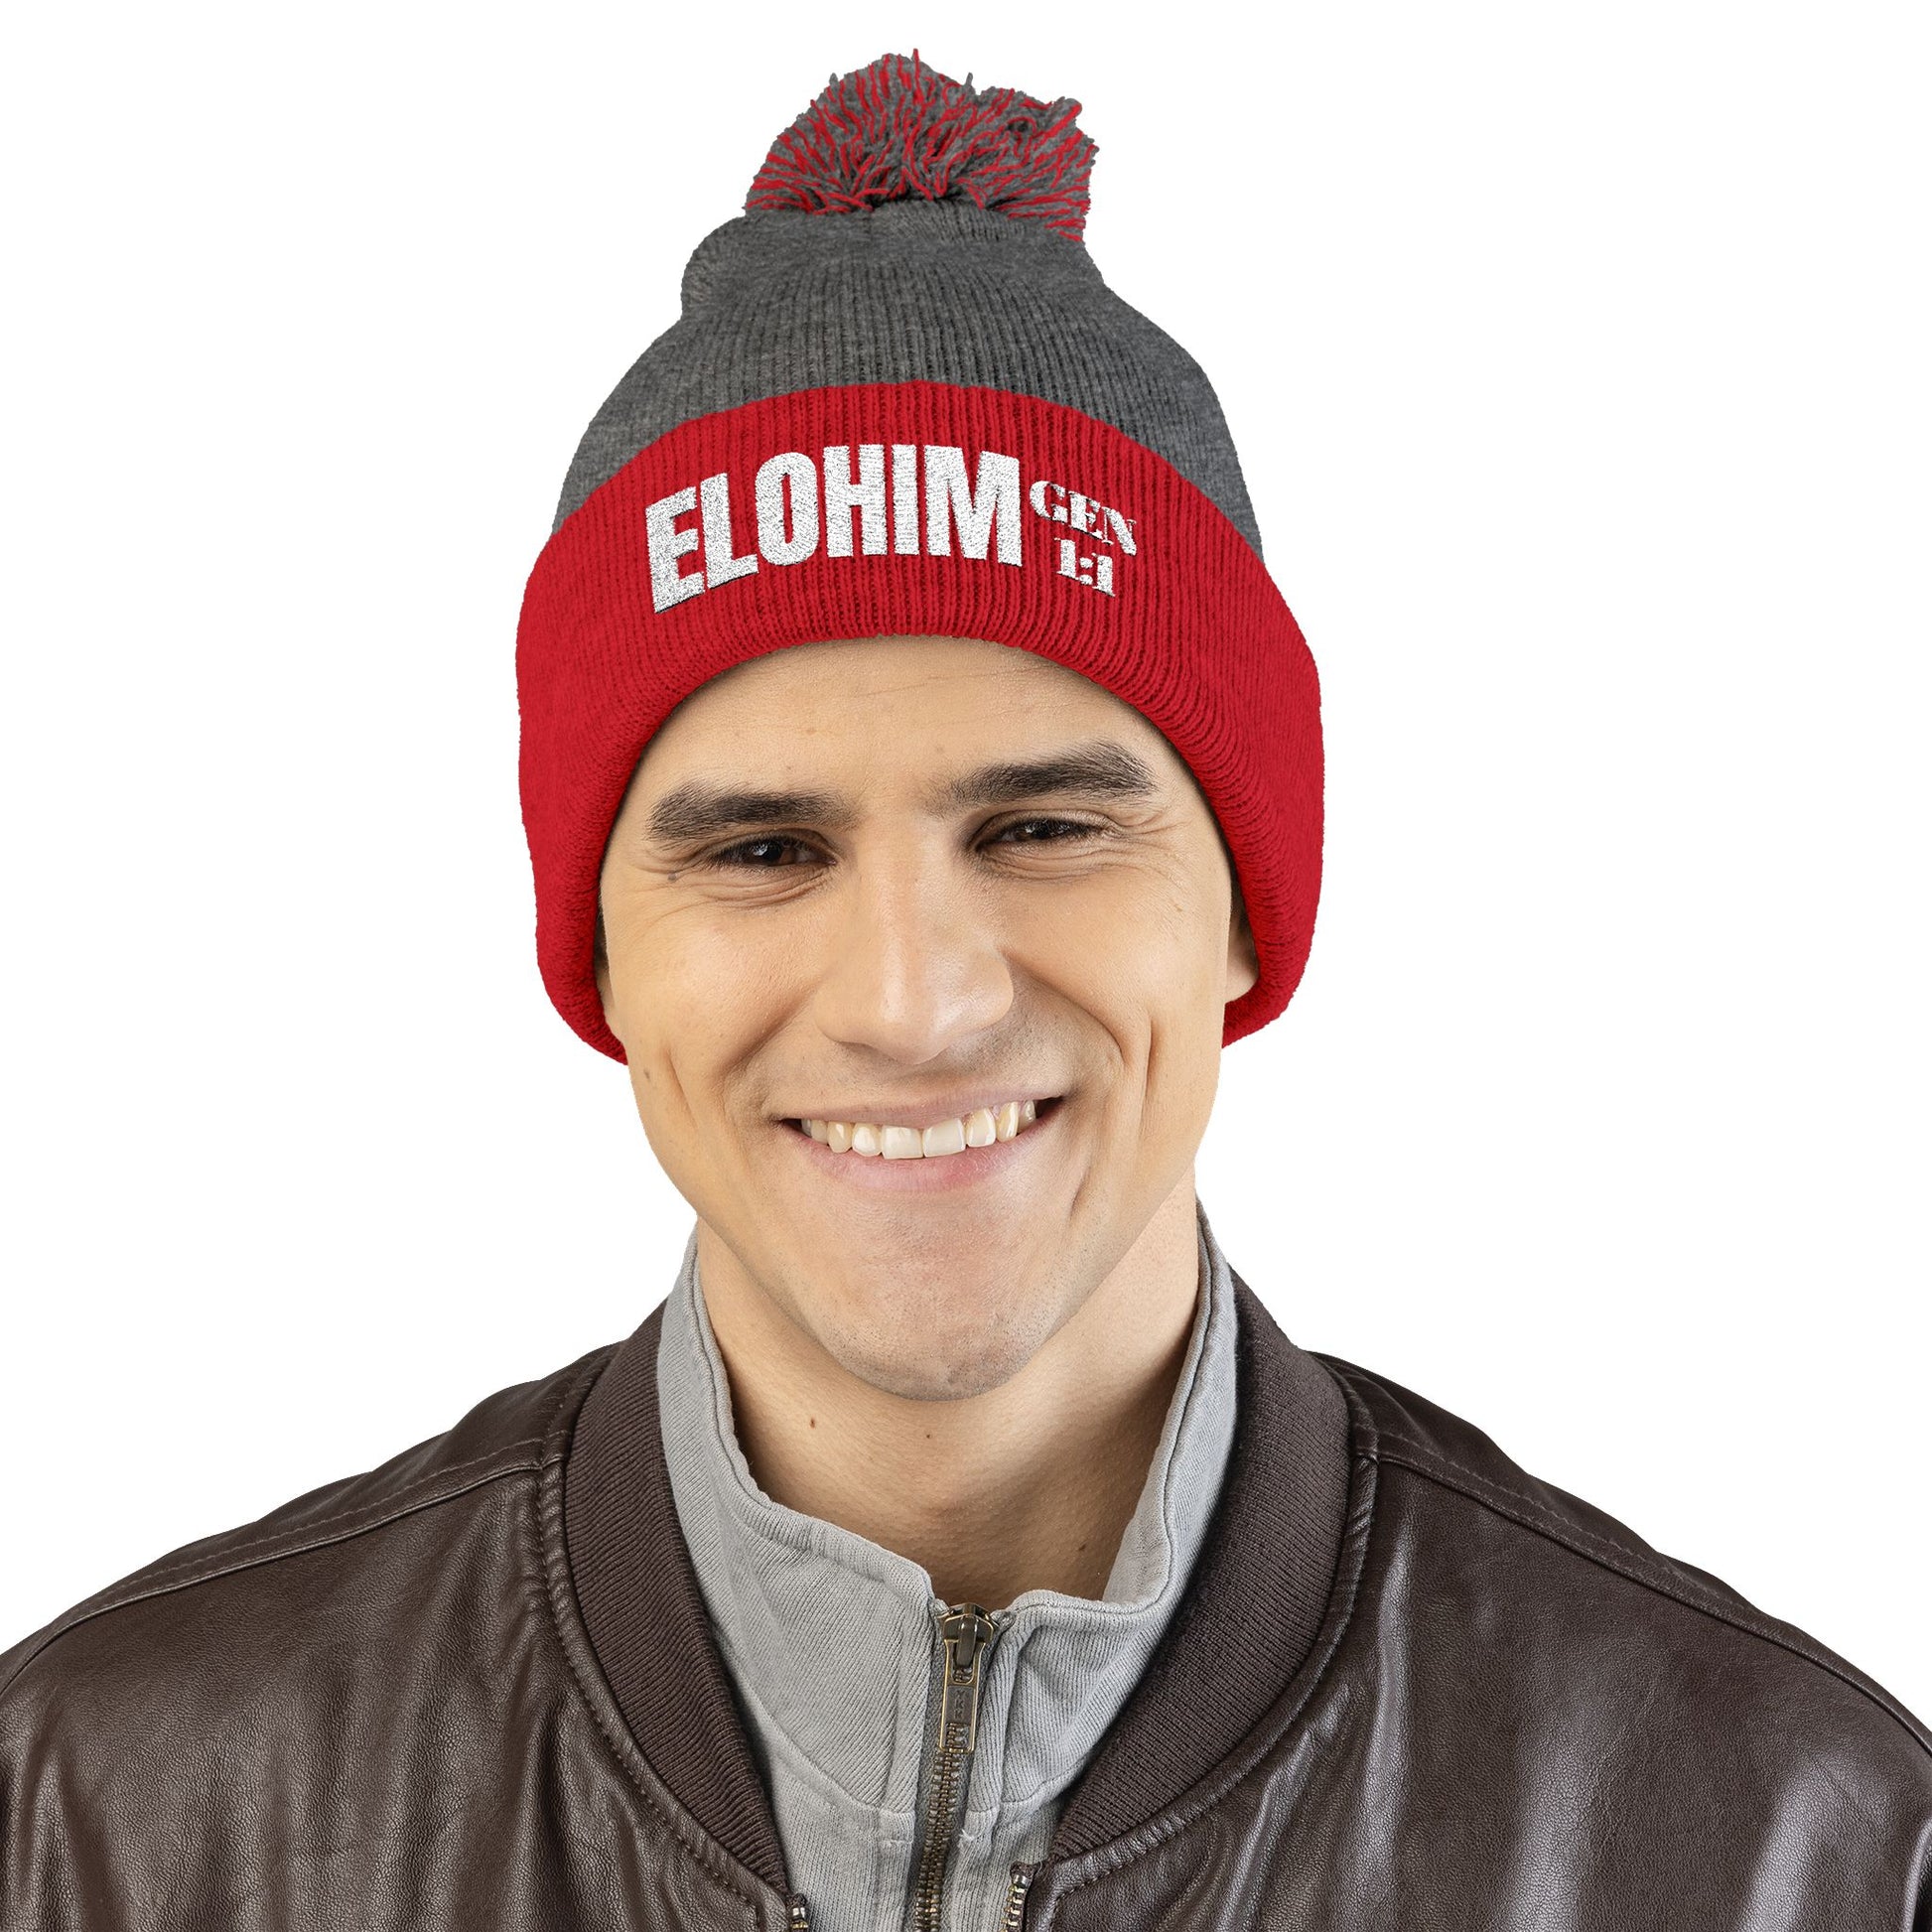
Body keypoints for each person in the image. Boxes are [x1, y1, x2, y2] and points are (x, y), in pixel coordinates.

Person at [2, 50, 1925, 1932]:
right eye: (764, 851)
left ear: (1245, 908)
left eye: (1042, 829)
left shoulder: (1792, 1852)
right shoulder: (103, 1815)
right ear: (598, 951)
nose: (912, 1002)